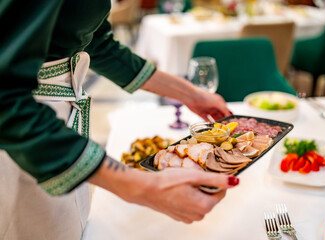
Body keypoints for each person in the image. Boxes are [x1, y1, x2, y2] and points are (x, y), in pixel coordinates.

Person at [0, 1, 239, 239]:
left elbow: (97, 42)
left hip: (58, 120)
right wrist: (144, 187)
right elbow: (6, 97)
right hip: (25, 132)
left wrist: (190, 94)